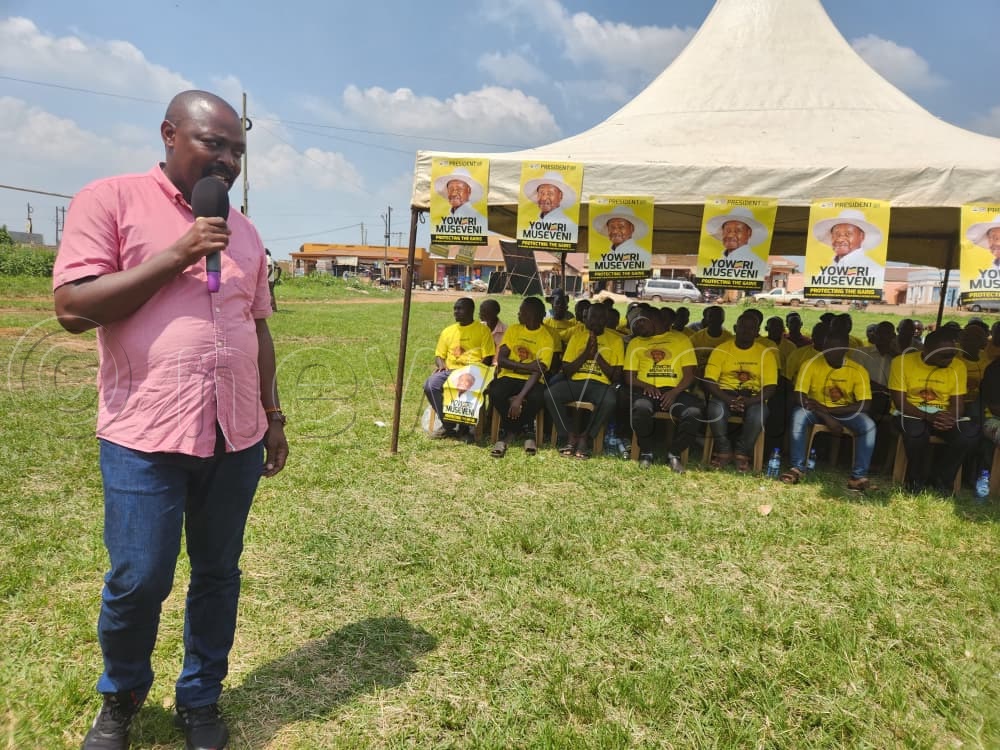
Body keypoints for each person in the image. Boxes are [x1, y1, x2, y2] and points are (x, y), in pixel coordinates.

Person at [53, 90, 289, 750]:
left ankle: (201, 698)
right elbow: (73, 306)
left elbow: (258, 327)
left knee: (218, 574)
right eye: (213, 143)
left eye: (238, 149)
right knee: (139, 579)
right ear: (168, 135)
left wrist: (273, 415)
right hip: (144, 435)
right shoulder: (111, 200)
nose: (228, 160)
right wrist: (178, 254)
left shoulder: (244, 231)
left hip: (234, 434)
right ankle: (122, 696)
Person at [782, 330, 876, 490]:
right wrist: (825, 414)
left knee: (869, 425)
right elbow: (798, 396)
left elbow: (864, 405)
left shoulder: (858, 370)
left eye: (837, 347)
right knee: (798, 414)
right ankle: (797, 468)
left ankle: (858, 477)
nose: (831, 352)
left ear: (846, 348)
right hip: (815, 411)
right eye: (828, 347)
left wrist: (828, 410)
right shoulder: (810, 364)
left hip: (844, 412)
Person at [889, 328, 978, 494]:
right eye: (944, 355)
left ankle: (941, 481)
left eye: (952, 354)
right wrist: (929, 417)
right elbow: (900, 402)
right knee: (917, 434)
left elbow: (958, 404)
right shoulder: (901, 362)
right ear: (926, 350)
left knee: (968, 435)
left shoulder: (958, 366)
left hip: (942, 415)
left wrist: (948, 418)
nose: (950, 359)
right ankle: (915, 481)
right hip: (909, 413)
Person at [625, 307, 702, 471]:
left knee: (694, 413)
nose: (636, 328)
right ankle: (646, 452)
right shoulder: (635, 343)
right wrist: (647, 385)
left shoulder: (680, 340)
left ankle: (674, 454)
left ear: (654, 320)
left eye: (640, 323)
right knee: (640, 408)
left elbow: (690, 374)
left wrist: (674, 393)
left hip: (675, 390)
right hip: (647, 390)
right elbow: (629, 377)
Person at [544, 304, 624, 459]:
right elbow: (566, 371)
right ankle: (570, 436)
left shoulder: (615, 340)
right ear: (586, 318)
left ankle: (586, 437)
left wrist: (596, 356)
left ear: (607, 319)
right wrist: (586, 353)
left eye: (601, 317)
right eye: (593, 317)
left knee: (610, 401)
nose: (597, 321)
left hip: (600, 384)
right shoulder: (577, 337)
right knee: (550, 394)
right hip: (576, 381)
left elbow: (615, 376)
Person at [703, 311, 779, 472]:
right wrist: (728, 399)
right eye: (742, 327)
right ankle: (723, 450)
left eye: (751, 328)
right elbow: (709, 381)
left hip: (753, 396)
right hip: (724, 393)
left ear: (757, 331)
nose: (746, 331)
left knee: (759, 414)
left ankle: (742, 453)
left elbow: (771, 387)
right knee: (715, 409)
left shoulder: (766, 353)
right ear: (735, 328)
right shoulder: (721, 349)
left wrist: (750, 401)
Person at [490, 296, 555, 457]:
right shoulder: (514, 330)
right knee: (495, 391)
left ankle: (510, 432)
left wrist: (519, 398)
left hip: (531, 381)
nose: (519, 313)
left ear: (532, 314)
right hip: (509, 376)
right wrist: (527, 367)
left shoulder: (546, 338)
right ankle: (522, 430)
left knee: (539, 397)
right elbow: (502, 360)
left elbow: (539, 370)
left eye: (522, 310)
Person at [424, 297, 496, 439]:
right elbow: (439, 355)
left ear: (471, 310)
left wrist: (473, 371)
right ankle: (449, 424)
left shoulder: (483, 330)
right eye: (455, 309)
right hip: (450, 371)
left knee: (466, 385)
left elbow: (488, 357)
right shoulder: (448, 331)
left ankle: (465, 428)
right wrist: (441, 365)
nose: (456, 312)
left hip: (473, 370)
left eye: (460, 309)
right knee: (430, 385)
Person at [812, 208, 883, 279]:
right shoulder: (826, 272)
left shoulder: (874, 271)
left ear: (861, 236)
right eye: (836, 234)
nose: (840, 239)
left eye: (848, 234)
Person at [703, 206, 770, 281]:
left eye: (738, 230)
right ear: (722, 232)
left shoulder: (758, 264)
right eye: (727, 230)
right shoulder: (715, 263)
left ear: (749, 233)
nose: (730, 235)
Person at [522, 171, 578, 236]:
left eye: (550, 193)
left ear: (560, 196)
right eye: (541, 193)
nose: (544, 198)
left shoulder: (569, 226)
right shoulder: (534, 226)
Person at [265, 247, 281, 312]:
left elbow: (270, 269)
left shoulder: (267, 258)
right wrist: (277, 277)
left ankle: (273, 308)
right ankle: (273, 308)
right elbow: (279, 268)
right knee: (270, 293)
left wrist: (266, 278)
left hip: (268, 279)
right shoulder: (271, 259)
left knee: (269, 294)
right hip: (271, 279)